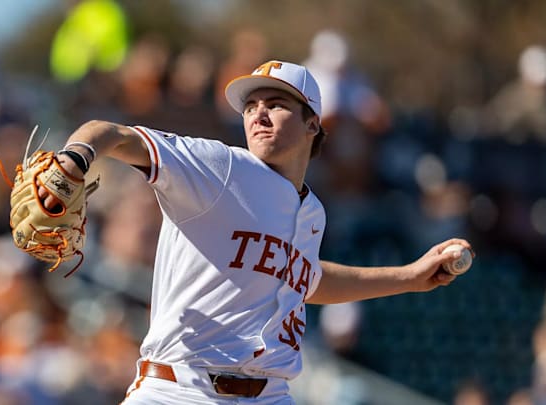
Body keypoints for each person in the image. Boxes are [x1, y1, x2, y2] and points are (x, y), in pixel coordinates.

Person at [39, 60, 473, 404]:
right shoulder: (219, 166)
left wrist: (410, 277)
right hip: (180, 391)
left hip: (270, 395)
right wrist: (76, 158)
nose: (258, 113)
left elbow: (307, 279)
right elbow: (111, 133)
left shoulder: (313, 211)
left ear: (312, 126)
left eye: (276, 103)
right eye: (250, 106)